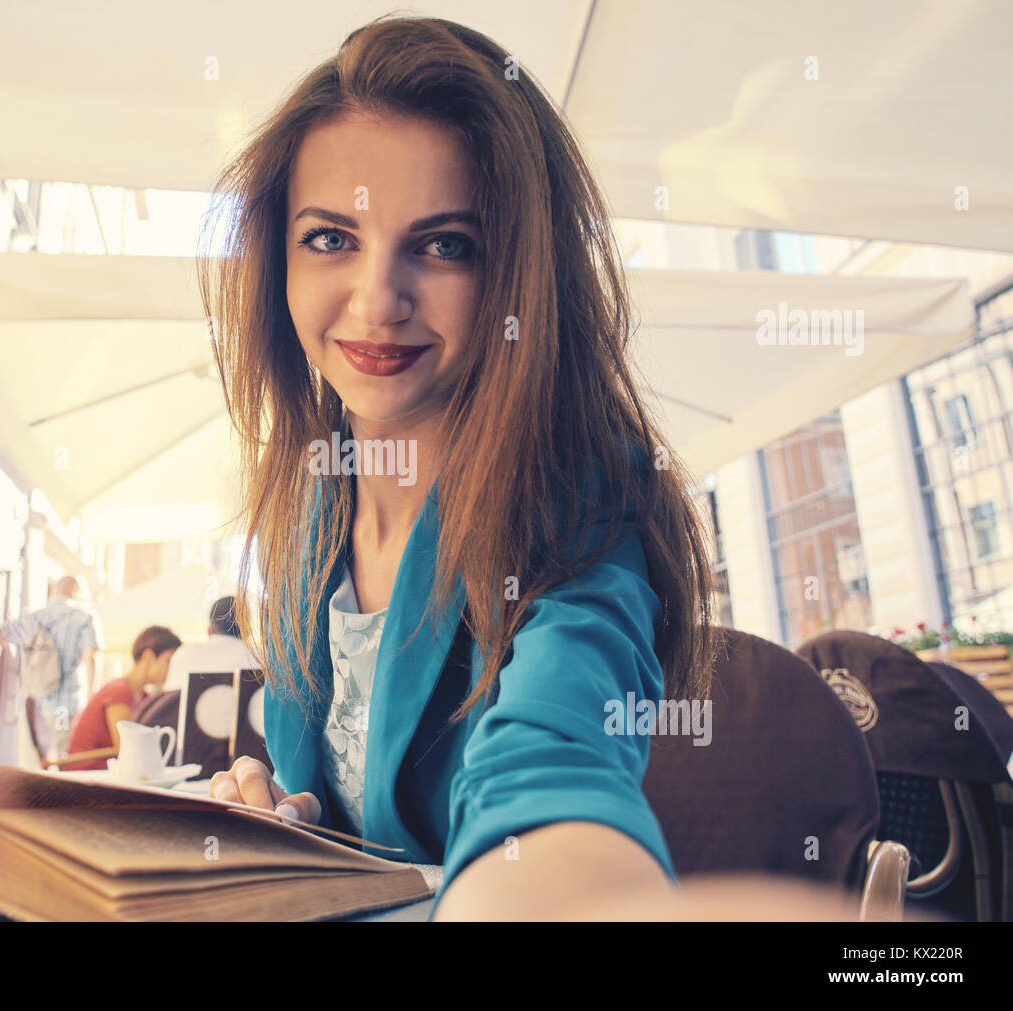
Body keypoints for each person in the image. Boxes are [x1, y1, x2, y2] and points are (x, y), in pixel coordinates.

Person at [201, 15, 863, 921]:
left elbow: (554, 769)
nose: (376, 298)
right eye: (330, 237)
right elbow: (334, 821)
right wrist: (270, 818)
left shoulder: (582, 500)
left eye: (445, 245)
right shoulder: (307, 509)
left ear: (519, 276)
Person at [0, 574, 103, 755]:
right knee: (63, 753)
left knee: (38, 756)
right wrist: (92, 692)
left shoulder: (36, 617)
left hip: (35, 703)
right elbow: (90, 655)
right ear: (74, 590)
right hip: (63, 705)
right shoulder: (84, 616)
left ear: (54, 591)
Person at [64, 626, 181, 770]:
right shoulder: (119, 691)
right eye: (169, 661)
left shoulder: (144, 696)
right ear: (148, 656)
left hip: (106, 773)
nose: (172, 668)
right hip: (86, 774)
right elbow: (128, 749)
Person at [163, 595, 260, 692]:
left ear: (209, 630)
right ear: (247, 631)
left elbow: (169, 700)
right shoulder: (259, 659)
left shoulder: (184, 654)